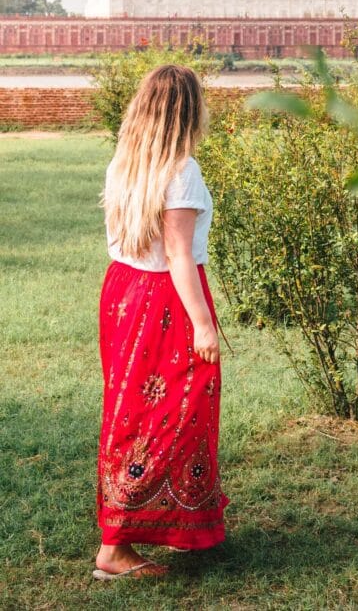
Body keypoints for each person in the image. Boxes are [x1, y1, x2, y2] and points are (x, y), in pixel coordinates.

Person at [93, 64, 228, 580]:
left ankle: (159, 522)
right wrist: (203, 324)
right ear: (189, 111)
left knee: (133, 413)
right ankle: (119, 545)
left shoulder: (126, 164)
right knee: (178, 410)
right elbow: (177, 254)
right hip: (166, 298)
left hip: (123, 292)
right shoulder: (180, 170)